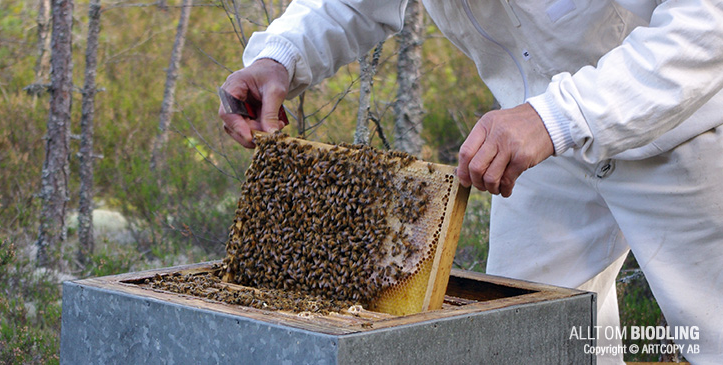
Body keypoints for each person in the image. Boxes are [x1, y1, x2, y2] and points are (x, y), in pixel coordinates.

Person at [219, 0, 723, 363]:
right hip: (542, 153)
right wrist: (281, 55)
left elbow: (710, 19)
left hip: (686, 130)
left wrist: (558, 117)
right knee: (531, 345)